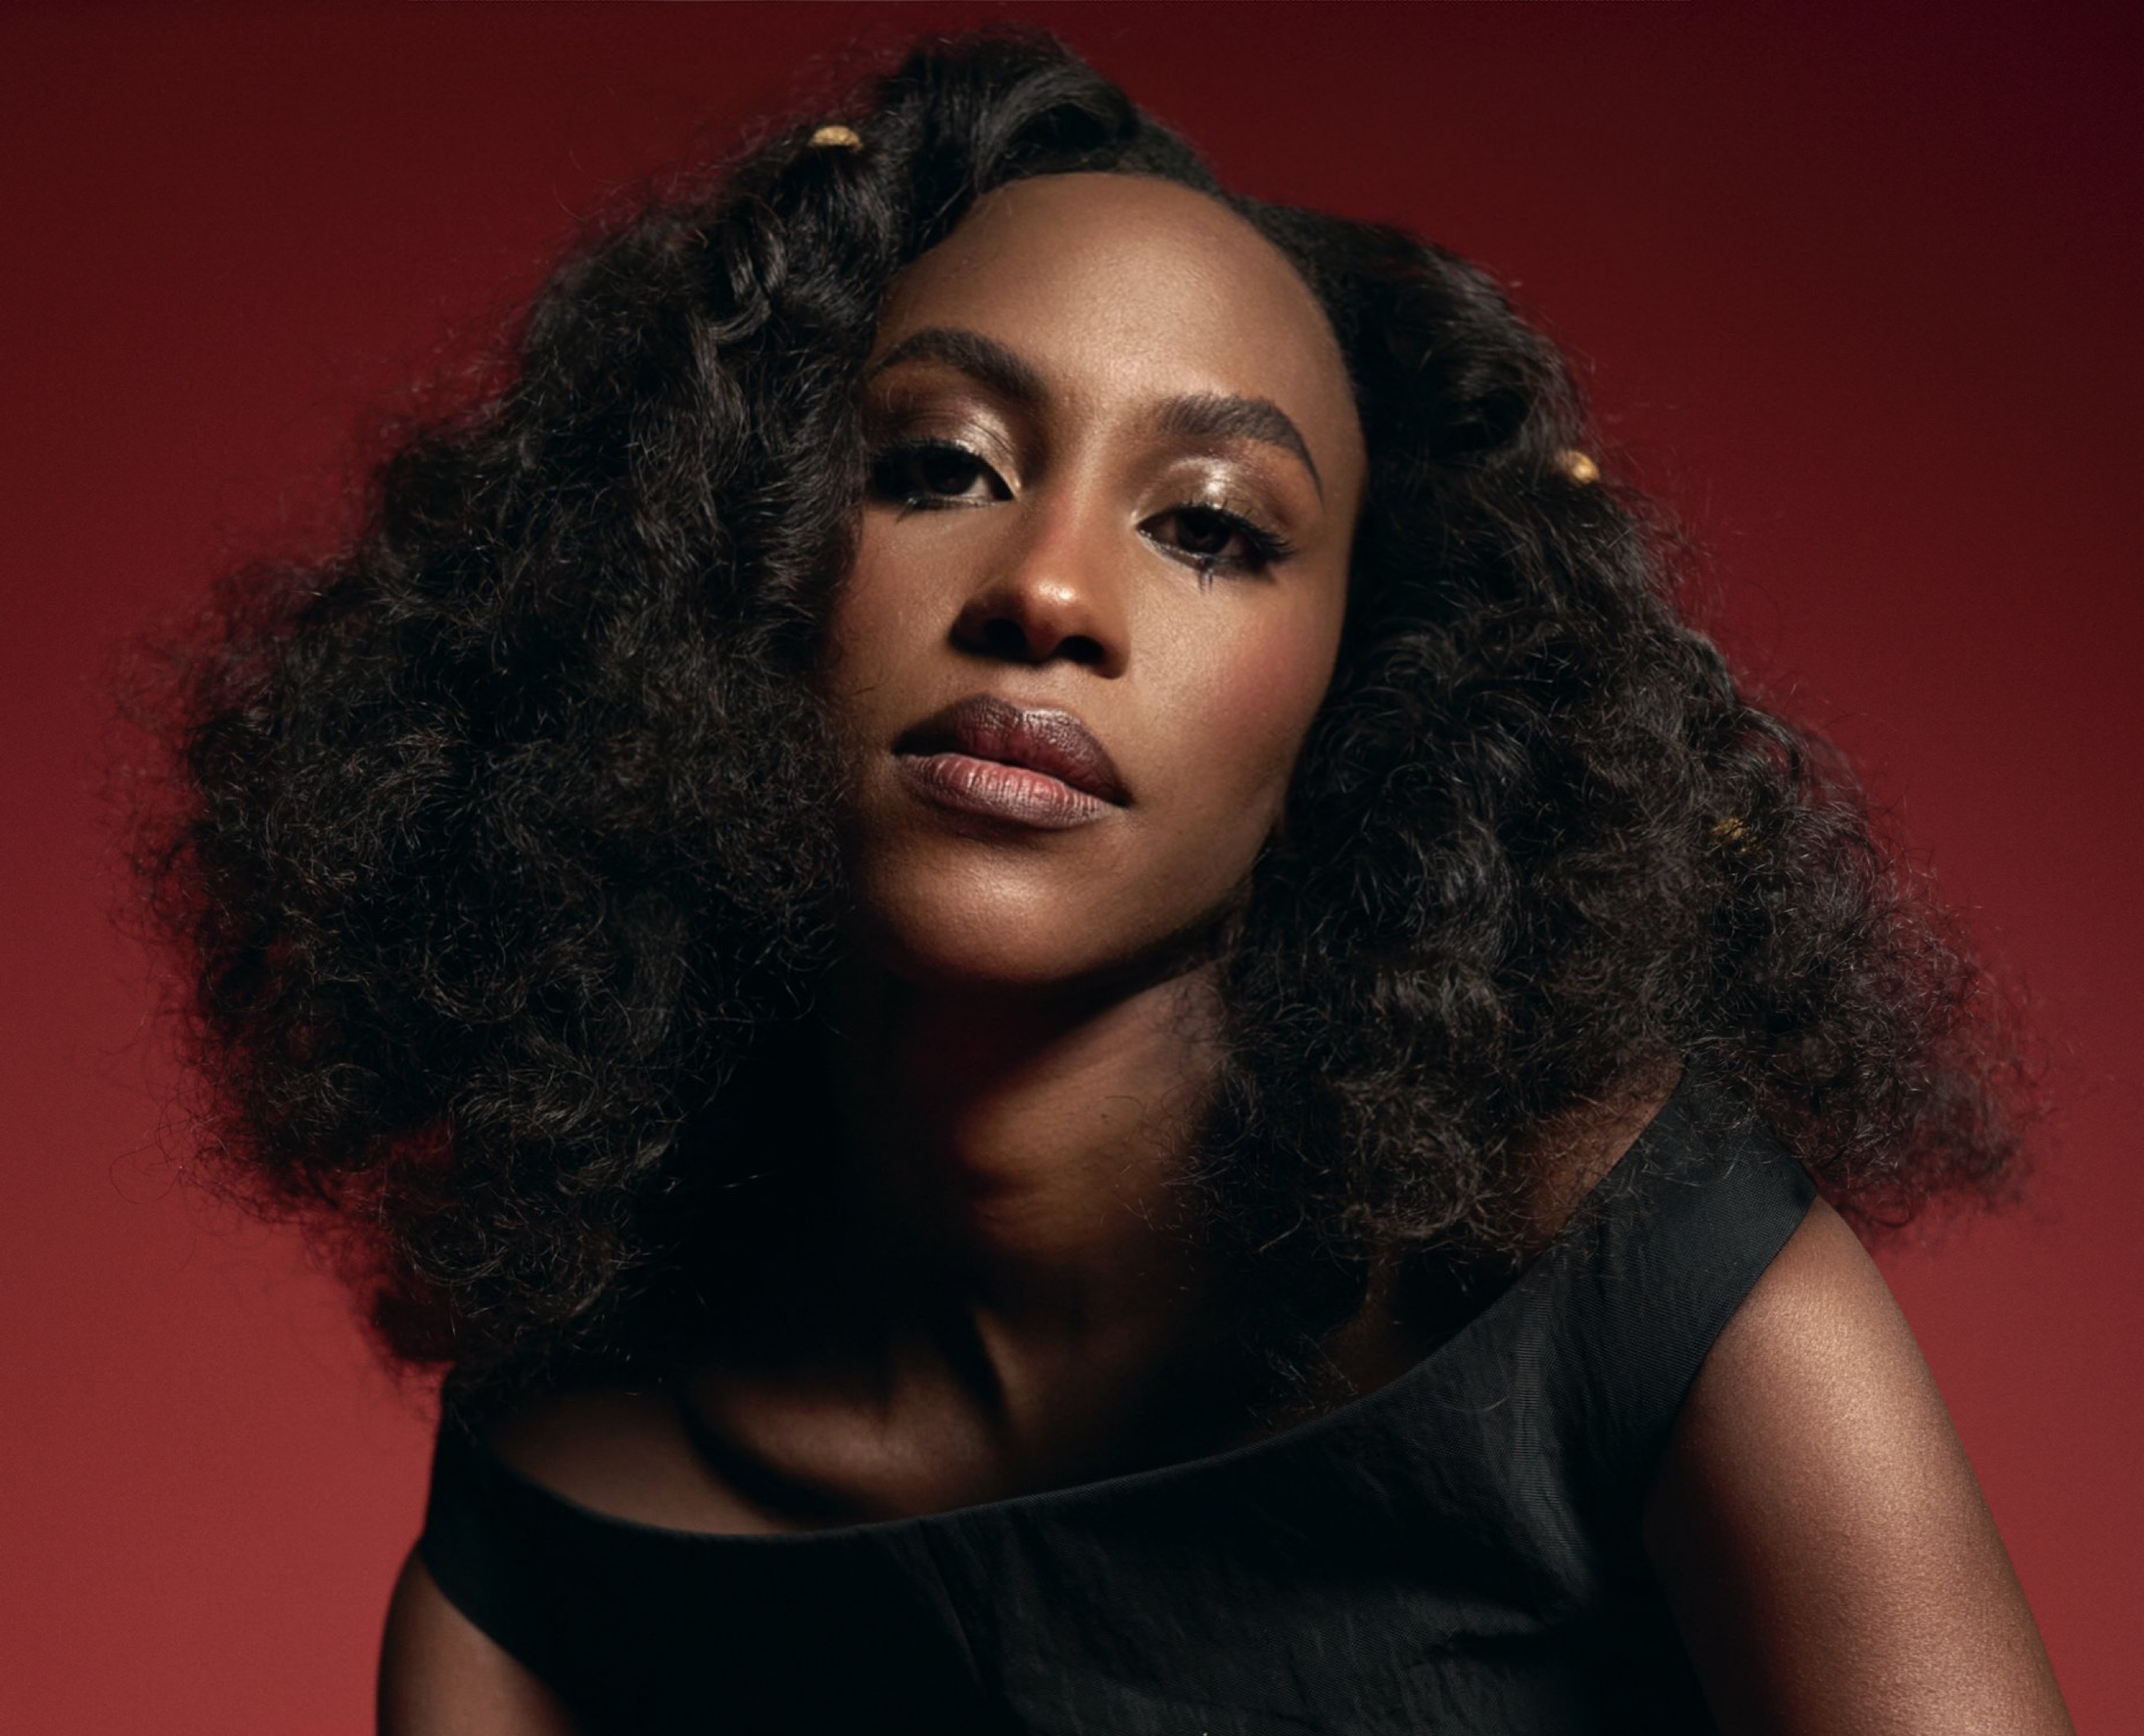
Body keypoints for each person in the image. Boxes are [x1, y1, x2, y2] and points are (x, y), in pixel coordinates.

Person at [139, 30, 2071, 1735]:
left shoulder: (1632, 1276)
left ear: (1366, 699)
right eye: (940, 466)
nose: (1050, 592)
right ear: (721, 567)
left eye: (1211, 528)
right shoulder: (553, 1539)